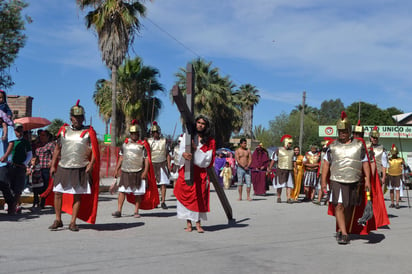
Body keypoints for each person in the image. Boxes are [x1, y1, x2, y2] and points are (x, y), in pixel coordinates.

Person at [46, 100, 100, 231]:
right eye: (76, 117)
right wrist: (53, 165)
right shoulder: (63, 130)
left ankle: (73, 222)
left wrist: (91, 164)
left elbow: (95, 152)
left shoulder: (89, 132)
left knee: (77, 195)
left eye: (81, 117)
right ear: (71, 117)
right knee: (58, 193)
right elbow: (57, 149)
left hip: (80, 167)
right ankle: (58, 219)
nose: (78, 119)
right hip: (63, 166)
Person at [321, 112, 371, 244]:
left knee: (348, 206)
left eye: (344, 130)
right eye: (340, 131)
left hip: (354, 180)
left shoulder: (358, 145)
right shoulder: (332, 146)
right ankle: (344, 233)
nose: (342, 133)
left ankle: (343, 229)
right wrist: (323, 182)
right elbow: (326, 165)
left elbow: (365, 163)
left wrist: (367, 180)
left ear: (349, 130)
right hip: (336, 179)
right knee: (339, 205)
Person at [174, 114, 216, 233]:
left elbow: (208, 159)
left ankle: (198, 224)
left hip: (199, 173)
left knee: (198, 197)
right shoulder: (187, 137)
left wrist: (195, 150)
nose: (200, 125)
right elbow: (180, 150)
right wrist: (184, 154)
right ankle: (188, 223)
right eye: (199, 123)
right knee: (186, 197)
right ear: (195, 123)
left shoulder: (210, 141)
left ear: (206, 126)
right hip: (186, 170)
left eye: (203, 124)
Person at [112, 120, 151, 218]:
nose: (134, 135)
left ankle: (136, 211)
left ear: (138, 134)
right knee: (122, 191)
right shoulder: (125, 144)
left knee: (137, 192)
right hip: (125, 170)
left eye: (135, 133)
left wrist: (145, 171)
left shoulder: (142, 145)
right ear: (130, 134)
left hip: (138, 171)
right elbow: (121, 157)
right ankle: (119, 210)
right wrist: (117, 169)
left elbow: (146, 159)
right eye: (132, 133)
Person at [9, 123, 32, 214]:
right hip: (10, 166)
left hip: (20, 167)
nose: (19, 133)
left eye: (21, 131)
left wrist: (24, 163)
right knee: (10, 186)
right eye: (17, 131)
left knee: (18, 187)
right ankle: (10, 204)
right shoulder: (10, 141)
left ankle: (15, 205)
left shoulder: (25, 142)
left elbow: (29, 154)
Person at [147, 121, 171, 209]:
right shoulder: (149, 142)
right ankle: (155, 201)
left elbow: (167, 154)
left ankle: (163, 201)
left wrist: (168, 165)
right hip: (152, 164)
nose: (155, 134)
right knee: (153, 185)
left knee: (163, 184)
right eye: (154, 132)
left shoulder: (164, 141)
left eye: (156, 132)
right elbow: (146, 154)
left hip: (162, 163)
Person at [268, 134, 295, 204]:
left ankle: (288, 198)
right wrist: (270, 168)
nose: (290, 145)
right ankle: (279, 197)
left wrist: (295, 169)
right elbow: (273, 160)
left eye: (291, 143)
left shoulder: (292, 151)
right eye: (289, 143)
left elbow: (293, 161)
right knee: (280, 185)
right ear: (286, 143)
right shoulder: (279, 150)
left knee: (289, 185)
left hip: (289, 170)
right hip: (281, 169)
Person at [0, 116, 17, 215]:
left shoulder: (9, 129)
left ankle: (11, 204)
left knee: (3, 185)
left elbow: (11, 143)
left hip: (3, 162)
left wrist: (5, 155)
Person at [34, 130, 55, 209]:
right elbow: (35, 156)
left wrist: (51, 162)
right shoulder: (38, 146)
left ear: (47, 136)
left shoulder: (50, 145)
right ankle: (36, 201)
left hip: (46, 168)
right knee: (37, 186)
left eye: (43, 135)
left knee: (46, 186)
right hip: (38, 168)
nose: (41, 137)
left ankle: (43, 202)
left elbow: (54, 155)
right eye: (40, 135)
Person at [386, 144, 404, 209]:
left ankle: (397, 203)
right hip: (390, 175)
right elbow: (384, 163)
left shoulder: (400, 159)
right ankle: (392, 203)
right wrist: (387, 155)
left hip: (398, 176)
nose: (394, 154)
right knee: (391, 190)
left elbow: (404, 165)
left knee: (397, 190)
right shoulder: (389, 159)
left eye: (395, 153)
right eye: (393, 153)